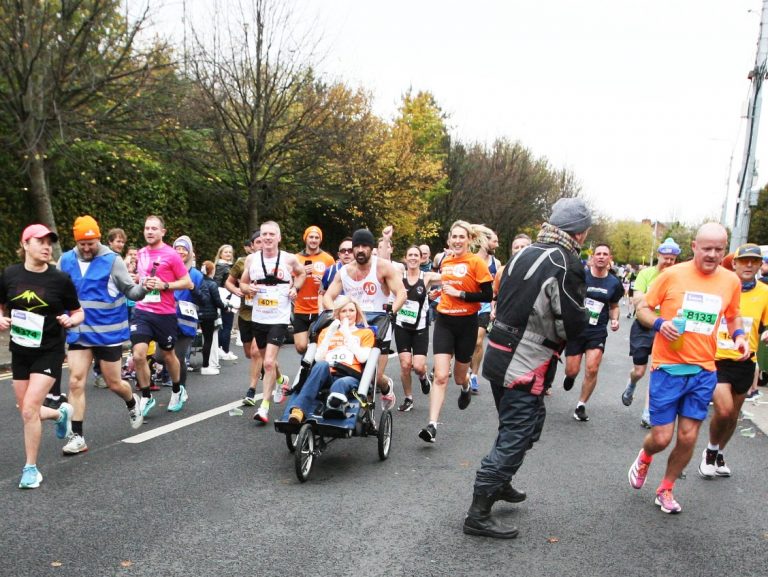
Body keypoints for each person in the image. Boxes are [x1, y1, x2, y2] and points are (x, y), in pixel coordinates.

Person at [463, 197, 591, 538]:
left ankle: (500, 482)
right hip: (525, 361)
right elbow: (572, 322)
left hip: (498, 353)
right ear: (580, 234)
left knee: (526, 425)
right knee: (516, 435)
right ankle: (478, 513)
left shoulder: (523, 253)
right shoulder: (565, 263)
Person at [628, 223, 747, 514]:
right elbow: (643, 308)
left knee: (689, 436)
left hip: (704, 369)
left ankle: (666, 488)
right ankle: (645, 455)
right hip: (668, 368)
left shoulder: (730, 281)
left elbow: (733, 316)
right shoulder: (671, 275)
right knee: (661, 437)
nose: (712, 254)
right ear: (694, 246)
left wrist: (740, 336)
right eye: (707, 248)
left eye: (719, 249)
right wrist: (659, 323)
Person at [0, 224, 84, 489]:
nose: (47, 246)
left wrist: (70, 320)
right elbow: (2, 306)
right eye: (41, 241)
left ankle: (31, 469)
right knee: (25, 409)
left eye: (50, 242)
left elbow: (79, 312)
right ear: (25, 244)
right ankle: (60, 415)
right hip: (20, 350)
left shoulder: (60, 279)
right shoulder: (10, 274)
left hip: (49, 351)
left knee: (28, 410)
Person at [57, 216, 147, 454]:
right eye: (82, 244)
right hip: (79, 332)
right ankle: (78, 437)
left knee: (114, 383)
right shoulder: (65, 260)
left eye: (91, 243)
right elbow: (55, 289)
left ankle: (131, 401)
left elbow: (131, 291)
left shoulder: (112, 260)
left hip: (108, 334)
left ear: (98, 238)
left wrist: (145, 288)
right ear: (76, 241)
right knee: (76, 381)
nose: (87, 248)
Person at [419, 221, 493, 444]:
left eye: (462, 237)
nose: (458, 241)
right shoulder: (445, 260)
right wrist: (439, 293)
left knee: (459, 375)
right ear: (449, 239)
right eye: (455, 237)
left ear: (469, 240)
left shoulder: (476, 263)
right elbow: (446, 285)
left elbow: (487, 295)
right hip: (444, 321)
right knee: (441, 376)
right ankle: (432, 425)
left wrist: (461, 295)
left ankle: (466, 385)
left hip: (467, 323)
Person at [699, 243, 768, 478]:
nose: (749, 265)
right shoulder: (719, 288)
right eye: (744, 261)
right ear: (735, 264)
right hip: (717, 360)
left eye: (754, 261)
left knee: (733, 416)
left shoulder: (765, 293)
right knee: (725, 410)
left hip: (746, 361)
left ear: (760, 265)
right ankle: (709, 451)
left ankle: (718, 452)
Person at [322, 228, 406, 412]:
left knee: (375, 374)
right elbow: (328, 297)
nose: (360, 250)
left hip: (379, 321)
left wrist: (392, 310)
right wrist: (332, 312)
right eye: (357, 246)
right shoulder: (345, 271)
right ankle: (359, 414)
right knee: (356, 368)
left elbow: (401, 293)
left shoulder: (383, 267)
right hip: (354, 322)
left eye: (365, 246)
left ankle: (385, 386)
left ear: (371, 248)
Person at [241, 221, 306, 424]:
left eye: (271, 234)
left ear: (279, 237)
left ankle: (264, 407)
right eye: (264, 234)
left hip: (279, 317)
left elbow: (302, 273)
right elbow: (242, 283)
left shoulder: (289, 259)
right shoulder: (251, 260)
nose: (267, 238)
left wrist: (295, 288)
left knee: (268, 362)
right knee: (267, 360)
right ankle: (281, 380)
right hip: (259, 317)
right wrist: (247, 289)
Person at [131, 215, 194, 416]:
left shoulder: (172, 255)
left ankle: (177, 390)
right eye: (147, 228)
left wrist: (165, 285)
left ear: (162, 232)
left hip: (164, 314)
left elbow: (187, 282)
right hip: (142, 311)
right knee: (138, 355)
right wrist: (139, 281)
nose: (150, 231)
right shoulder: (140, 253)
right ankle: (147, 396)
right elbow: (141, 278)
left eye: (154, 228)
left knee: (168, 355)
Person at [621, 238, 681, 427]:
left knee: (657, 370)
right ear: (659, 256)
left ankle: (647, 412)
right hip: (643, 326)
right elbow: (638, 300)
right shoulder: (646, 274)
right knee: (639, 371)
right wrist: (658, 299)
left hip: (665, 329)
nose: (669, 262)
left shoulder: (677, 277)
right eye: (666, 258)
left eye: (673, 259)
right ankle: (631, 384)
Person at [286, 296, 375, 423]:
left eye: (351, 310)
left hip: (349, 375)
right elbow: (318, 358)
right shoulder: (327, 331)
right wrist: (330, 334)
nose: (348, 314)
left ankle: (334, 408)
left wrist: (347, 334)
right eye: (344, 311)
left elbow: (362, 357)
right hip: (326, 374)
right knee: (321, 365)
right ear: (338, 314)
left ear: (357, 313)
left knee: (341, 383)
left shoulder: (366, 333)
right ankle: (298, 410)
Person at [562, 242, 623, 422]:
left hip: (597, 331)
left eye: (605, 254)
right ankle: (570, 376)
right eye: (598, 253)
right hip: (577, 328)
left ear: (610, 259)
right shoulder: (581, 277)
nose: (602, 256)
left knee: (592, 368)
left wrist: (614, 319)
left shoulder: (614, 283)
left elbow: (614, 306)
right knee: (572, 370)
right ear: (592, 257)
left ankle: (581, 405)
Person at [395, 246, 441, 411]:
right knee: (405, 364)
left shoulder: (427, 277)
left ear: (422, 259)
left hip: (420, 327)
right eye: (410, 255)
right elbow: (382, 263)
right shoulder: (399, 276)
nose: (413, 258)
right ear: (405, 258)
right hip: (402, 325)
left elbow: (448, 278)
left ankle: (423, 378)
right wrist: (386, 241)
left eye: (416, 255)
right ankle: (408, 399)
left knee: (419, 366)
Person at [293, 226, 336, 355]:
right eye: (311, 237)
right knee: (301, 346)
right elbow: (289, 282)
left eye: (317, 237)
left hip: (320, 308)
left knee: (320, 343)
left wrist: (323, 283)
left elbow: (334, 284)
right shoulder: (296, 258)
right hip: (301, 307)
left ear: (320, 240)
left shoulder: (328, 259)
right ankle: (310, 360)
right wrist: (300, 275)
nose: (313, 240)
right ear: (305, 238)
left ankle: (312, 368)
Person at [469, 226, 501, 394]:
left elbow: (496, 290)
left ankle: (474, 375)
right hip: (468, 306)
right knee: (467, 343)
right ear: (484, 241)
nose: (496, 244)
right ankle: (467, 362)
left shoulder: (496, 264)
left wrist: (495, 307)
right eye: (494, 241)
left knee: (478, 341)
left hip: (485, 307)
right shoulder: (470, 259)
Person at [172, 236, 204, 383]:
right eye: (177, 249)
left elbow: (203, 299)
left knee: (179, 358)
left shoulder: (196, 275)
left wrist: (192, 288)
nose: (180, 252)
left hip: (186, 322)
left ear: (190, 252)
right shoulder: (167, 270)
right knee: (161, 357)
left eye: (183, 249)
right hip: (167, 319)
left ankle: (180, 389)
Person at [198, 261, 230, 374]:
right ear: (211, 271)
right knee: (208, 340)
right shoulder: (212, 284)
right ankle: (206, 365)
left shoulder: (198, 282)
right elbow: (217, 301)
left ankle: (203, 364)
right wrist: (226, 307)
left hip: (198, 312)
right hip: (209, 314)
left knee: (202, 340)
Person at [213, 244, 238, 361]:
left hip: (226, 296)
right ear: (220, 253)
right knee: (226, 325)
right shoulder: (222, 266)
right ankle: (224, 350)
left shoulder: (224, 266)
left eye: (230, 252)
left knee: (223, 324)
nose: (228, 254)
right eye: (226, 252)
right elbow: (217, 283)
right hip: (226, 297)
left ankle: (222, 349)